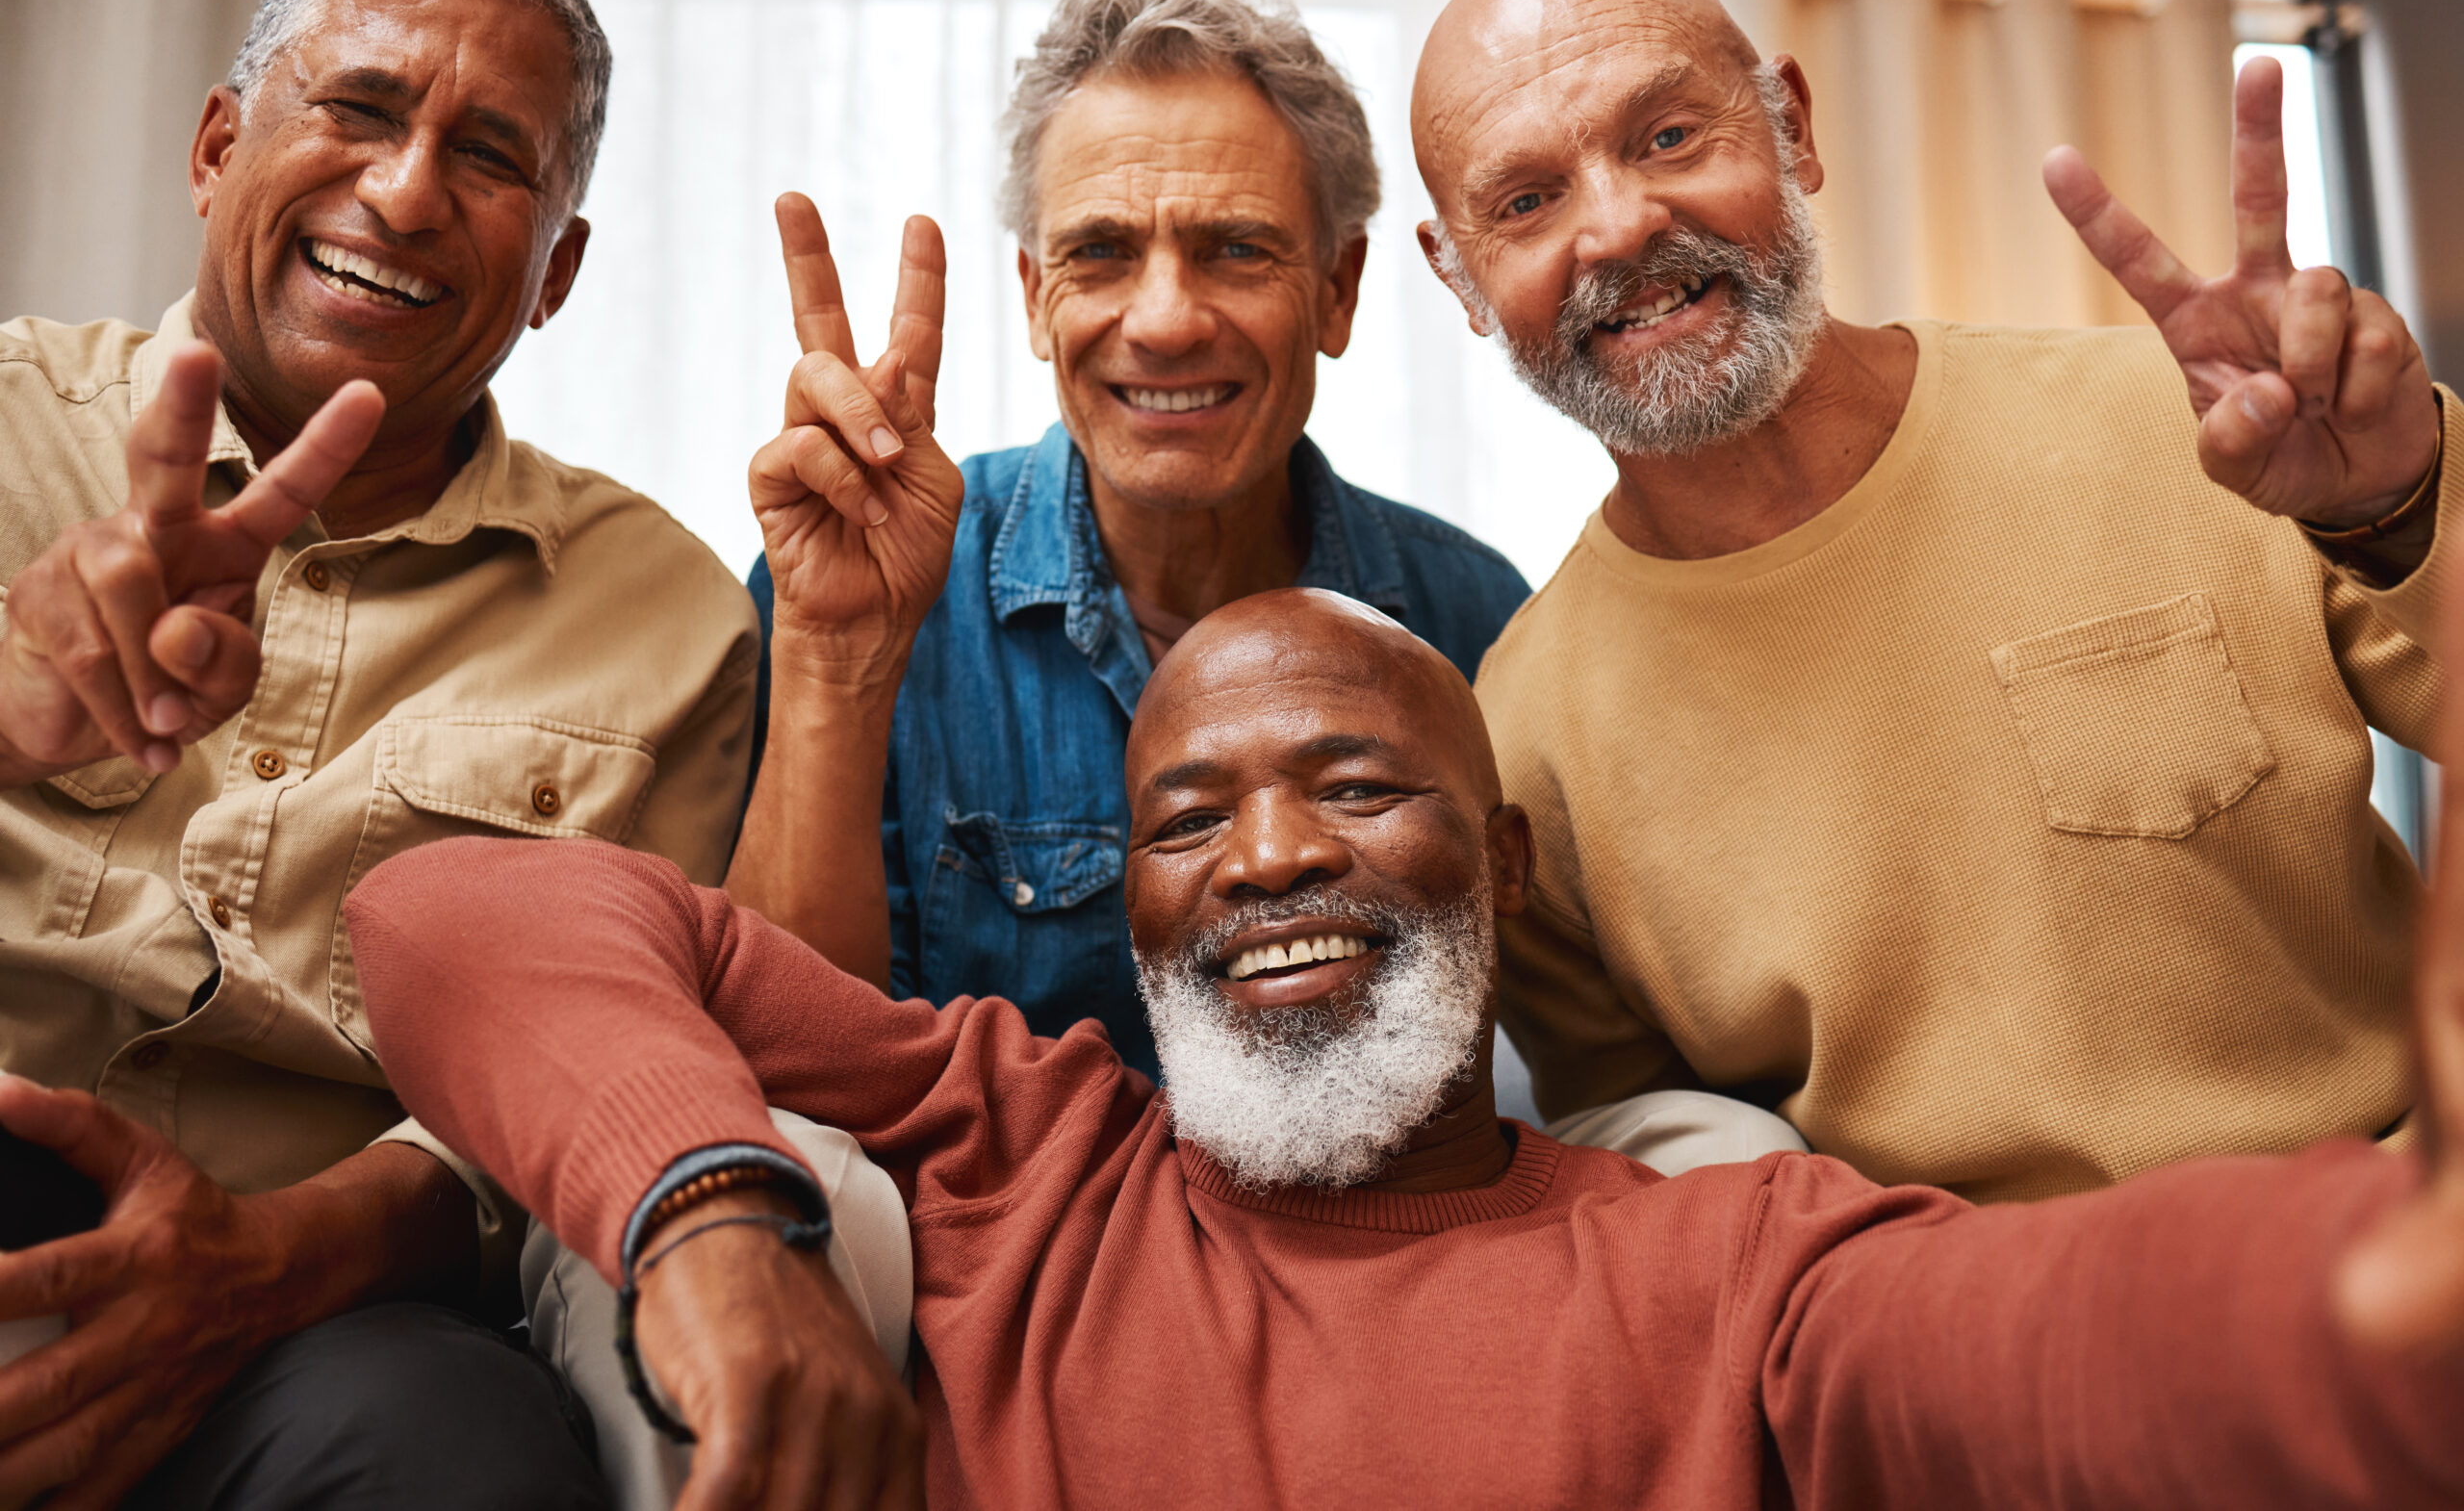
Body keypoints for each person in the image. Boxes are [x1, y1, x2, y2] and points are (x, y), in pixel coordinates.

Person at [344, 575, 2464, 1508]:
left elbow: (2039, 1342)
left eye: (1355, 787)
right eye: (1184, 816)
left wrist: (2370, 1293)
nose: (1265, 853)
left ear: (1503, 864)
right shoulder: (1017, 1135)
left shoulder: (1728, 1264)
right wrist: (713, 1213)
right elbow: (450, 910)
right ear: (1131, 899)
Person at [1409, 0, 2454, 1200]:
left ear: (1790, 127)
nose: (1619, 225)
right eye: (1523, 204)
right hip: (1969, 1365)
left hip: (2398, 1263)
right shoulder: (1523, 750)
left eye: (1671, 135)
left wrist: (2397, 510)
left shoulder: (2225, 431)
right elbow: (1692, 1203)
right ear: (1457, 276)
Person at [0, 0, 756, 1504]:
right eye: (358, 107)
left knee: (460, 1442)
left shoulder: (670, 619)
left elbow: (617, 1071)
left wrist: (272, 1259)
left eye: (489, 155)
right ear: (218, 150)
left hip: (318, 1309)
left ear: (555, 271)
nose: (408, 194)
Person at [734, 0, 1530, 1079]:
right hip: (988, 1245)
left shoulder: (1472, 615)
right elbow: (793, 1080)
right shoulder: (863, 579)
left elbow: (1557, 1060)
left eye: (1236, 250)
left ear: (1337, 290)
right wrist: (833, 657)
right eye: (1101, 253)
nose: (1161, 322)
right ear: (1032, 298)